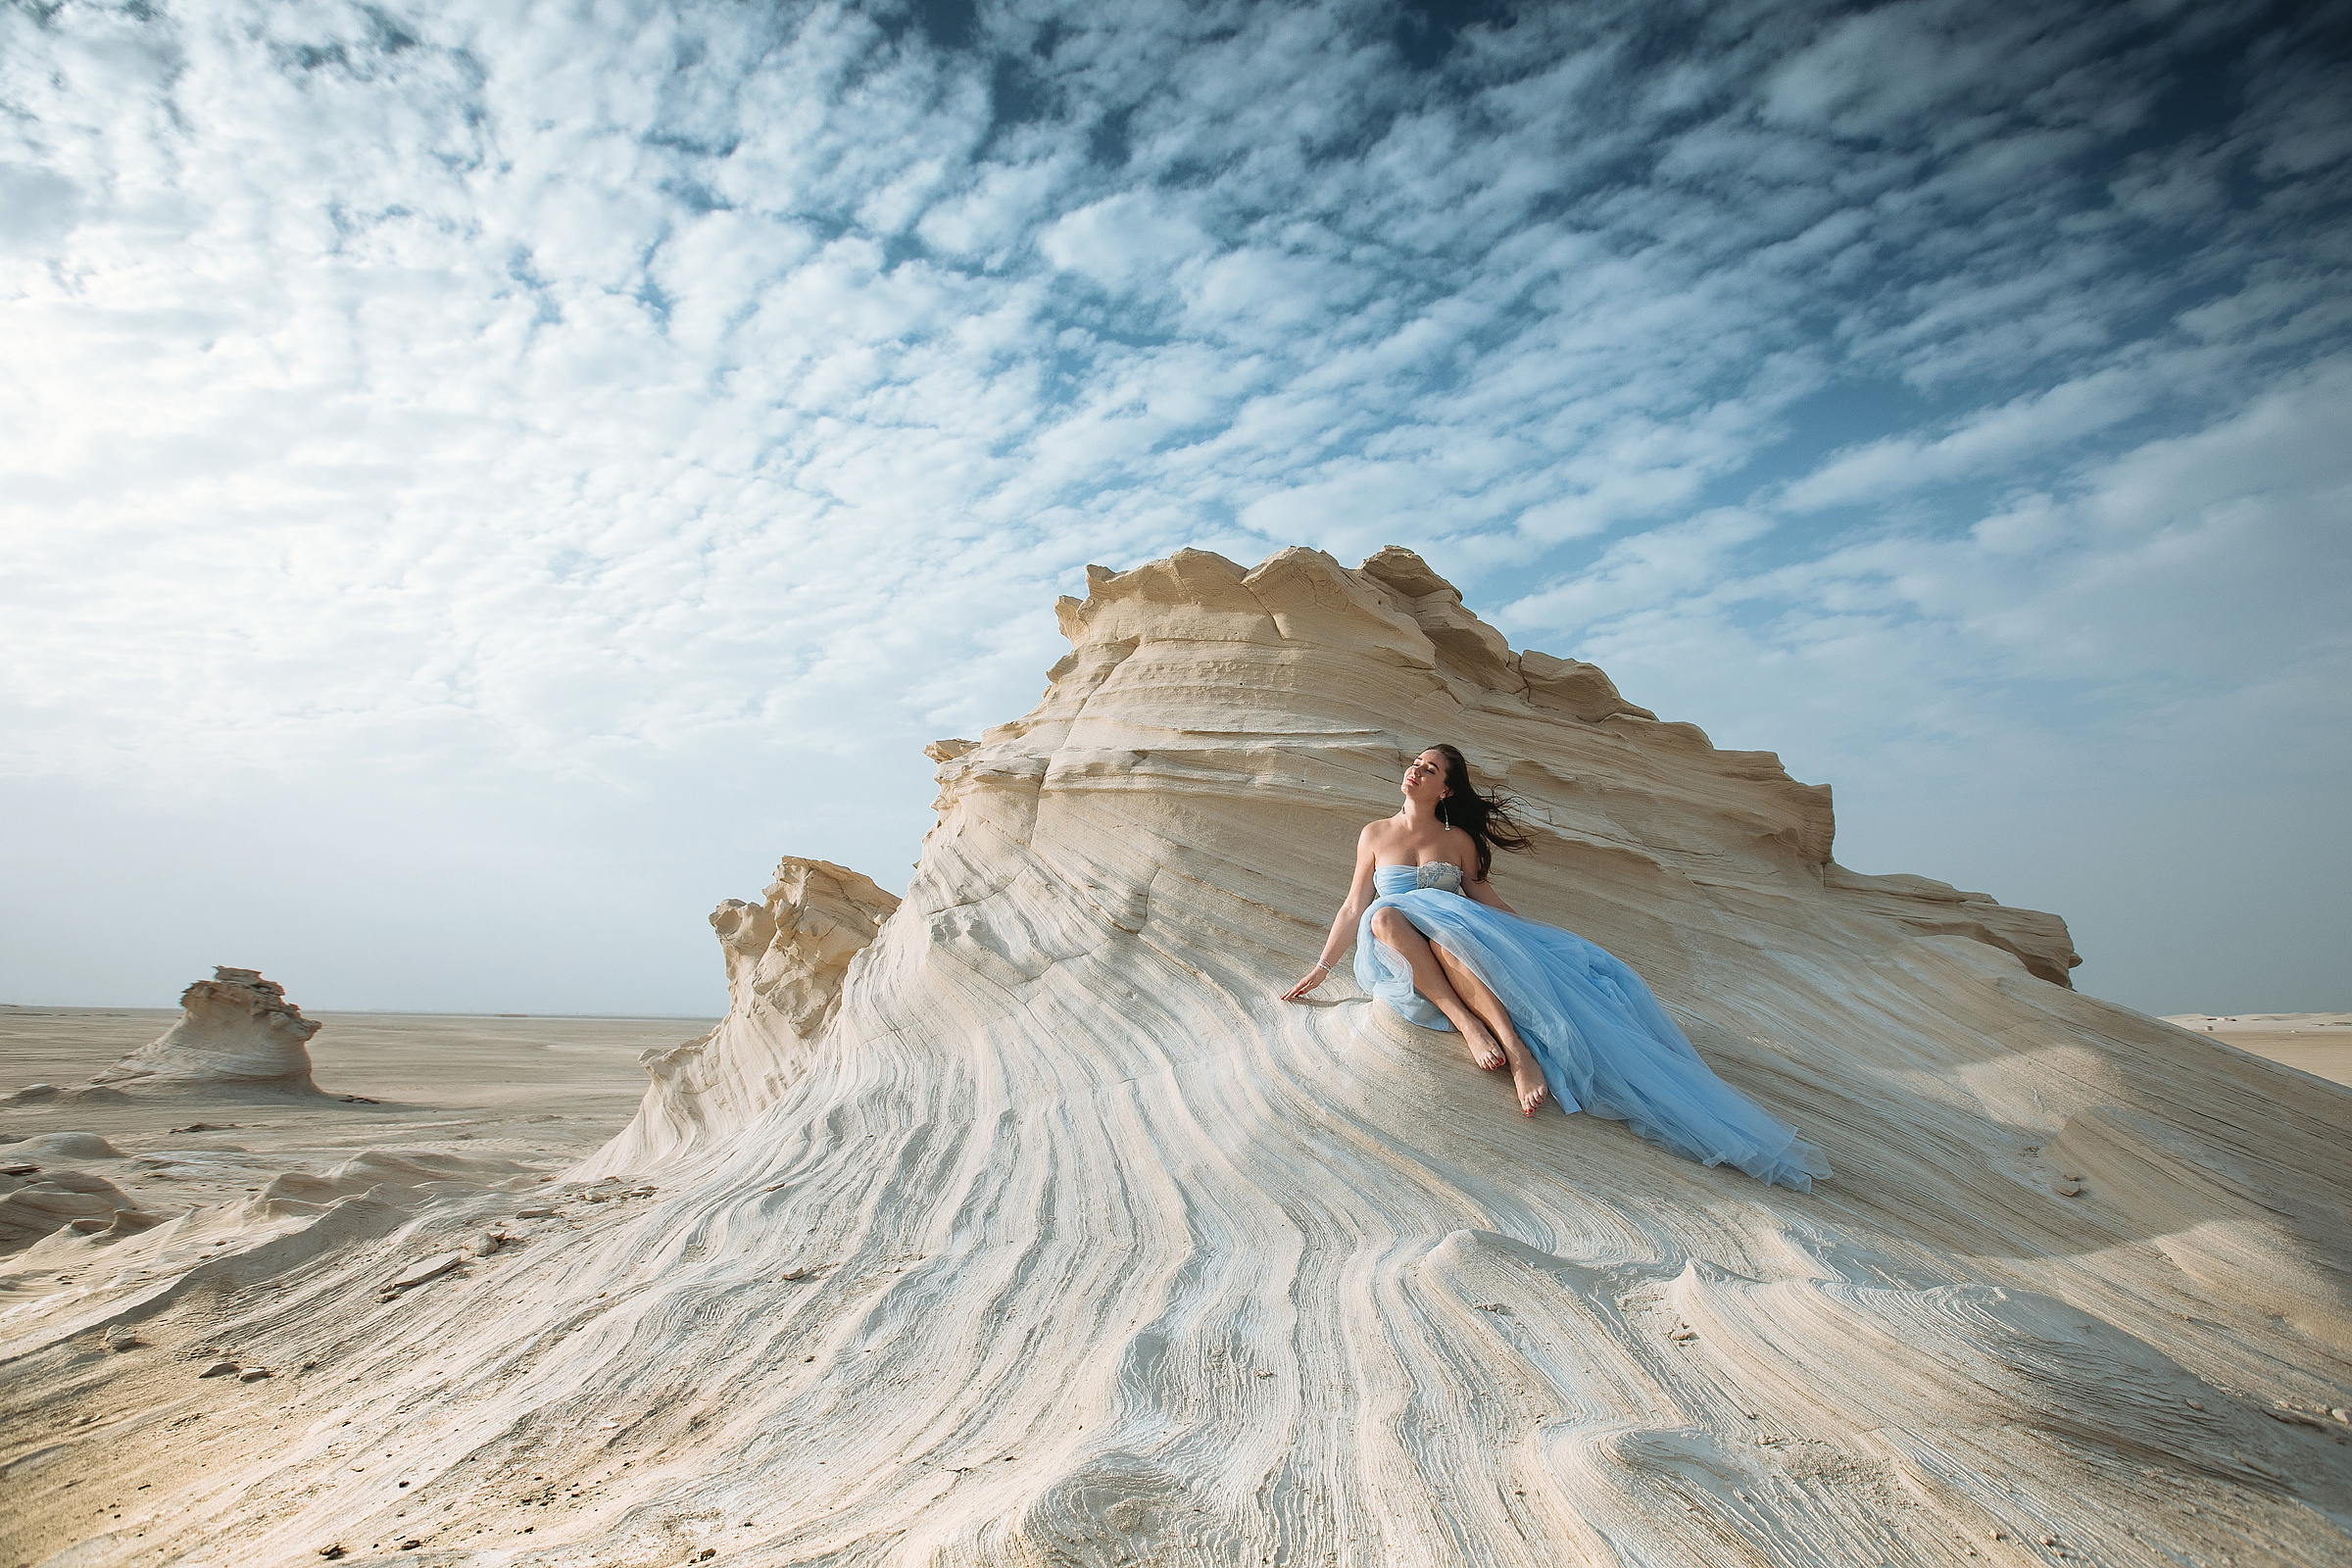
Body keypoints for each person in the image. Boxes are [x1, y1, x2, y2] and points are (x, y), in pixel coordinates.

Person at [1282, 745, 1830, 1191]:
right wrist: (1323, 966)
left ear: (1446, 789)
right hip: (1396, 945)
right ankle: (1471, 1026)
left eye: (1430, 769)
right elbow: (1355, 903)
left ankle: (1516, 1051)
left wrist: (1537, 942)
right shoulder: (1375, 833)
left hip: (1456, 942)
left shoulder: (1460, 840)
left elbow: (1482, 897)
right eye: (1416, 764)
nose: (1416, 771)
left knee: (1449, 936)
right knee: (1386, 916)